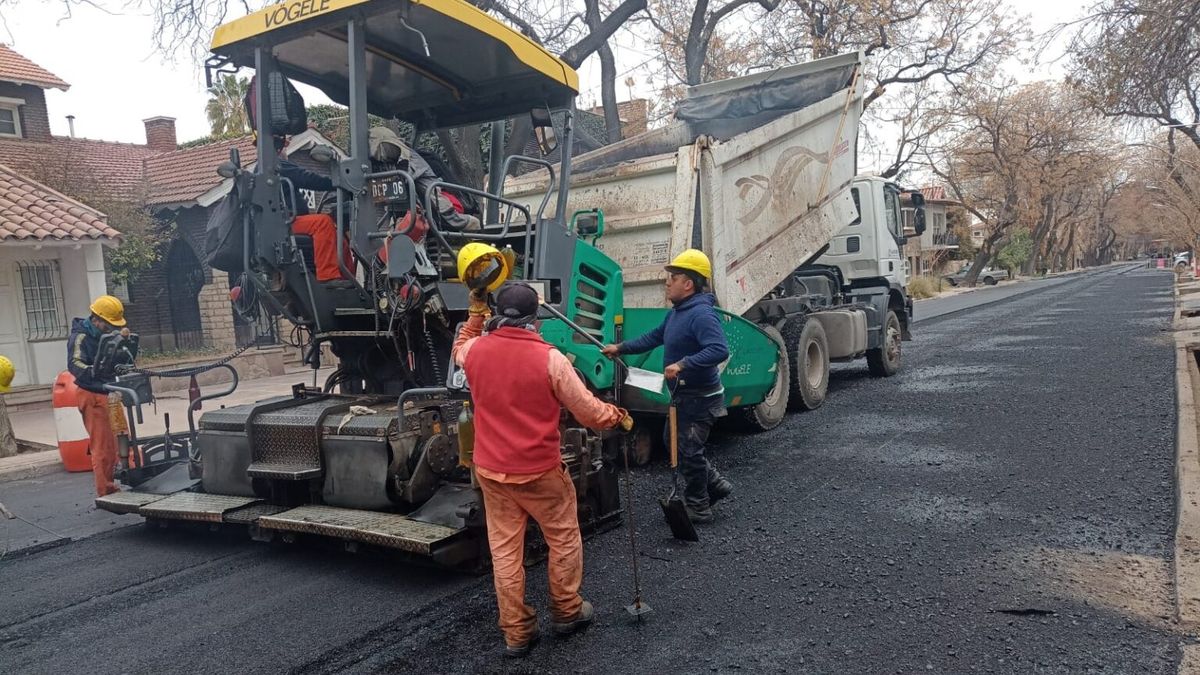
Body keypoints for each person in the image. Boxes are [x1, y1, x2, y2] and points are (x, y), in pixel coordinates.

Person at [451, 281, 630, 659]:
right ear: (536, 320)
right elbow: (588, 412)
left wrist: (474, 315)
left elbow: (458, 349)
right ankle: (566, 612)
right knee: (563, 539)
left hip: (492, 471)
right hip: (539, 472)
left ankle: (516, 633)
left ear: (498, 313)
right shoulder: (550, 359)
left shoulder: (476, 350)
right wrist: (618, 417)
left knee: (505, 553)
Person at [601, 248, 732, 524]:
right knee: (672, 443)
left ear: (688, 283)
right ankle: (715, 484)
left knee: (688, 449)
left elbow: (719, 349)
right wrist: (620, 348)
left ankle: (699, 505)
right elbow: (654, 337)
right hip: (684, 396)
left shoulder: (701, 314)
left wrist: (683, 364)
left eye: (673, 278)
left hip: (701, 398)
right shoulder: (678, 313)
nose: (667, 282)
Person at [67, 295, 136, 497]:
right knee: (103, 447)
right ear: (96, 319)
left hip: (111, 391)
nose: (111, 328)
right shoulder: (80, 337)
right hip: (92, 394)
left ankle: (132, 478)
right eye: (108, 324)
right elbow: (74, 364)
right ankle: (106, 489)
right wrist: (94, 370)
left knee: (123, 439)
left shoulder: (107, 337)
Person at [274, 135, 356, 283]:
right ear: (278, 148)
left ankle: (349, 281)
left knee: (337, 235)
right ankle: (327, 277)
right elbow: (306, 178)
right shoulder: (276, 164)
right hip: (283, 223)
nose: (286, 150)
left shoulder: (271, 167)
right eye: (285, 147)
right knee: (322, 223)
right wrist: (338, 184)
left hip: (287, 221)